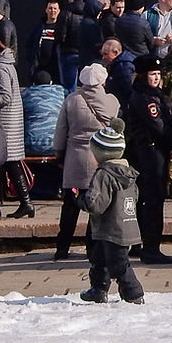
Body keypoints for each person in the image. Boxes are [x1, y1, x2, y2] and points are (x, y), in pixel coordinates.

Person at [51, 61, 118, 260]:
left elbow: (61, 130)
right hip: (101, 158)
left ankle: (62, 246)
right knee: (97, 204)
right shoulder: (112, 102)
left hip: (75, 160)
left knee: (71, 204)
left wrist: (58, 153)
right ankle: (92, 245)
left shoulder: (72, 100)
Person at [77, 118, 144, 303]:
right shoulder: (128, 173)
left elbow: (97, 204)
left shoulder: (104, 174)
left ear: (101, 153)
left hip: (110, 228)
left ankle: (134, 293)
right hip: (126, 224)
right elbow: (135, 197)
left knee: (118, 264)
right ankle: (98, 289)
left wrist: (81, 199)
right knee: (99, 259)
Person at [123, 56, 172, 264]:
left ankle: (140, 244)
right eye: (152, 74)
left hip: (152, 152)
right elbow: (159, 127)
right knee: (153, 200)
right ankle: (151, 247)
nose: (156, 78)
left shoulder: (154, 95)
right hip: (150, 153)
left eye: (158, 74)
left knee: (146, 200)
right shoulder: (145, 98)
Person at [0, 36, 33, 219]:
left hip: (6, 120)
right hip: (13, 119)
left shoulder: (0, 66)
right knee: (10, 162)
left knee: (8, 162)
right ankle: (24, 202)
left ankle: (24, 202)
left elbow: (5, 96)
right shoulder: (9, 63)